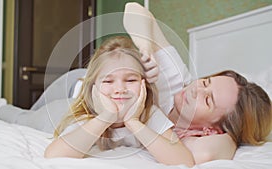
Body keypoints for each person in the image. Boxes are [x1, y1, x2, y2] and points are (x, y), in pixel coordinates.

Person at [123, 2, 272, 166]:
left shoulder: (184, 142)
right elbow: (134, 9)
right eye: (206, 82)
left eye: (208, 100)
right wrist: (146, 48)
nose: (196, 89)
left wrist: (231, 139)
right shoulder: (176, 78)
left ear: (213, 130)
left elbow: (205, 154)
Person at [44, 36, 195, 166]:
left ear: (144, 85)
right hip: (67, 94)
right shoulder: (86, 115)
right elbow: (53, 155)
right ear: (94, 88)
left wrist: (133, 122)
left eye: (130, 80)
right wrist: (105, 117)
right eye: (109, 81)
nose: (120, 89)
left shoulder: (149, 114)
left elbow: (184, 161)